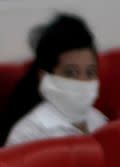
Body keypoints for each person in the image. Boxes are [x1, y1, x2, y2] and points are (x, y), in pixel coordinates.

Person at [0, 14, 107, 146]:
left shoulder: (98, 119)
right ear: (44, 77)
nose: (83, 81)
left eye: (90, 72)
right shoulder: (27, 135)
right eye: (70, 73)